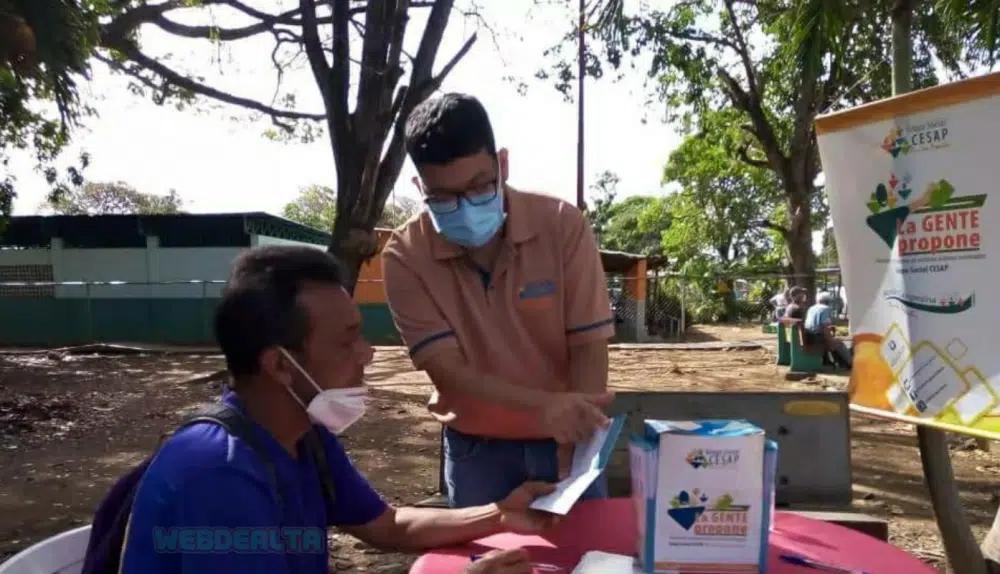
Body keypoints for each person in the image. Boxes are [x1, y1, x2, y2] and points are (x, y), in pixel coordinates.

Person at [119, 245, 556, 574]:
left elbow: (389, 526)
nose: (367, 354)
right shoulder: (218, 475)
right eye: (347, 342)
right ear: (280, 366)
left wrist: (500, 513)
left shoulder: (304, 437)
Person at [382, 92, 615, 509]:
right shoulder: (405, 255)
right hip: (477, 454)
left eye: (478, 186)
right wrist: (545, 408)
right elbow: (448, 372)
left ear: (502, 165)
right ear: (420, 188)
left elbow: (588, 346)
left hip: (566, 442)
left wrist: (576, 445)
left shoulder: (561, 225)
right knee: (482, 549)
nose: (465, 208)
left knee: (585, 545)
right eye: (443, 197)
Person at [805, 291, 852, 368]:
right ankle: (851, 363)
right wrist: (831, 341)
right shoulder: (825, 309)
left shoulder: (811, 308)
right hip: (817, 338)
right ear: (827, 301)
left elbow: (814, 324)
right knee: (839, 343)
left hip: (809, 336)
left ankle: (841, 363)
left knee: (835, 341)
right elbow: (824, 327)